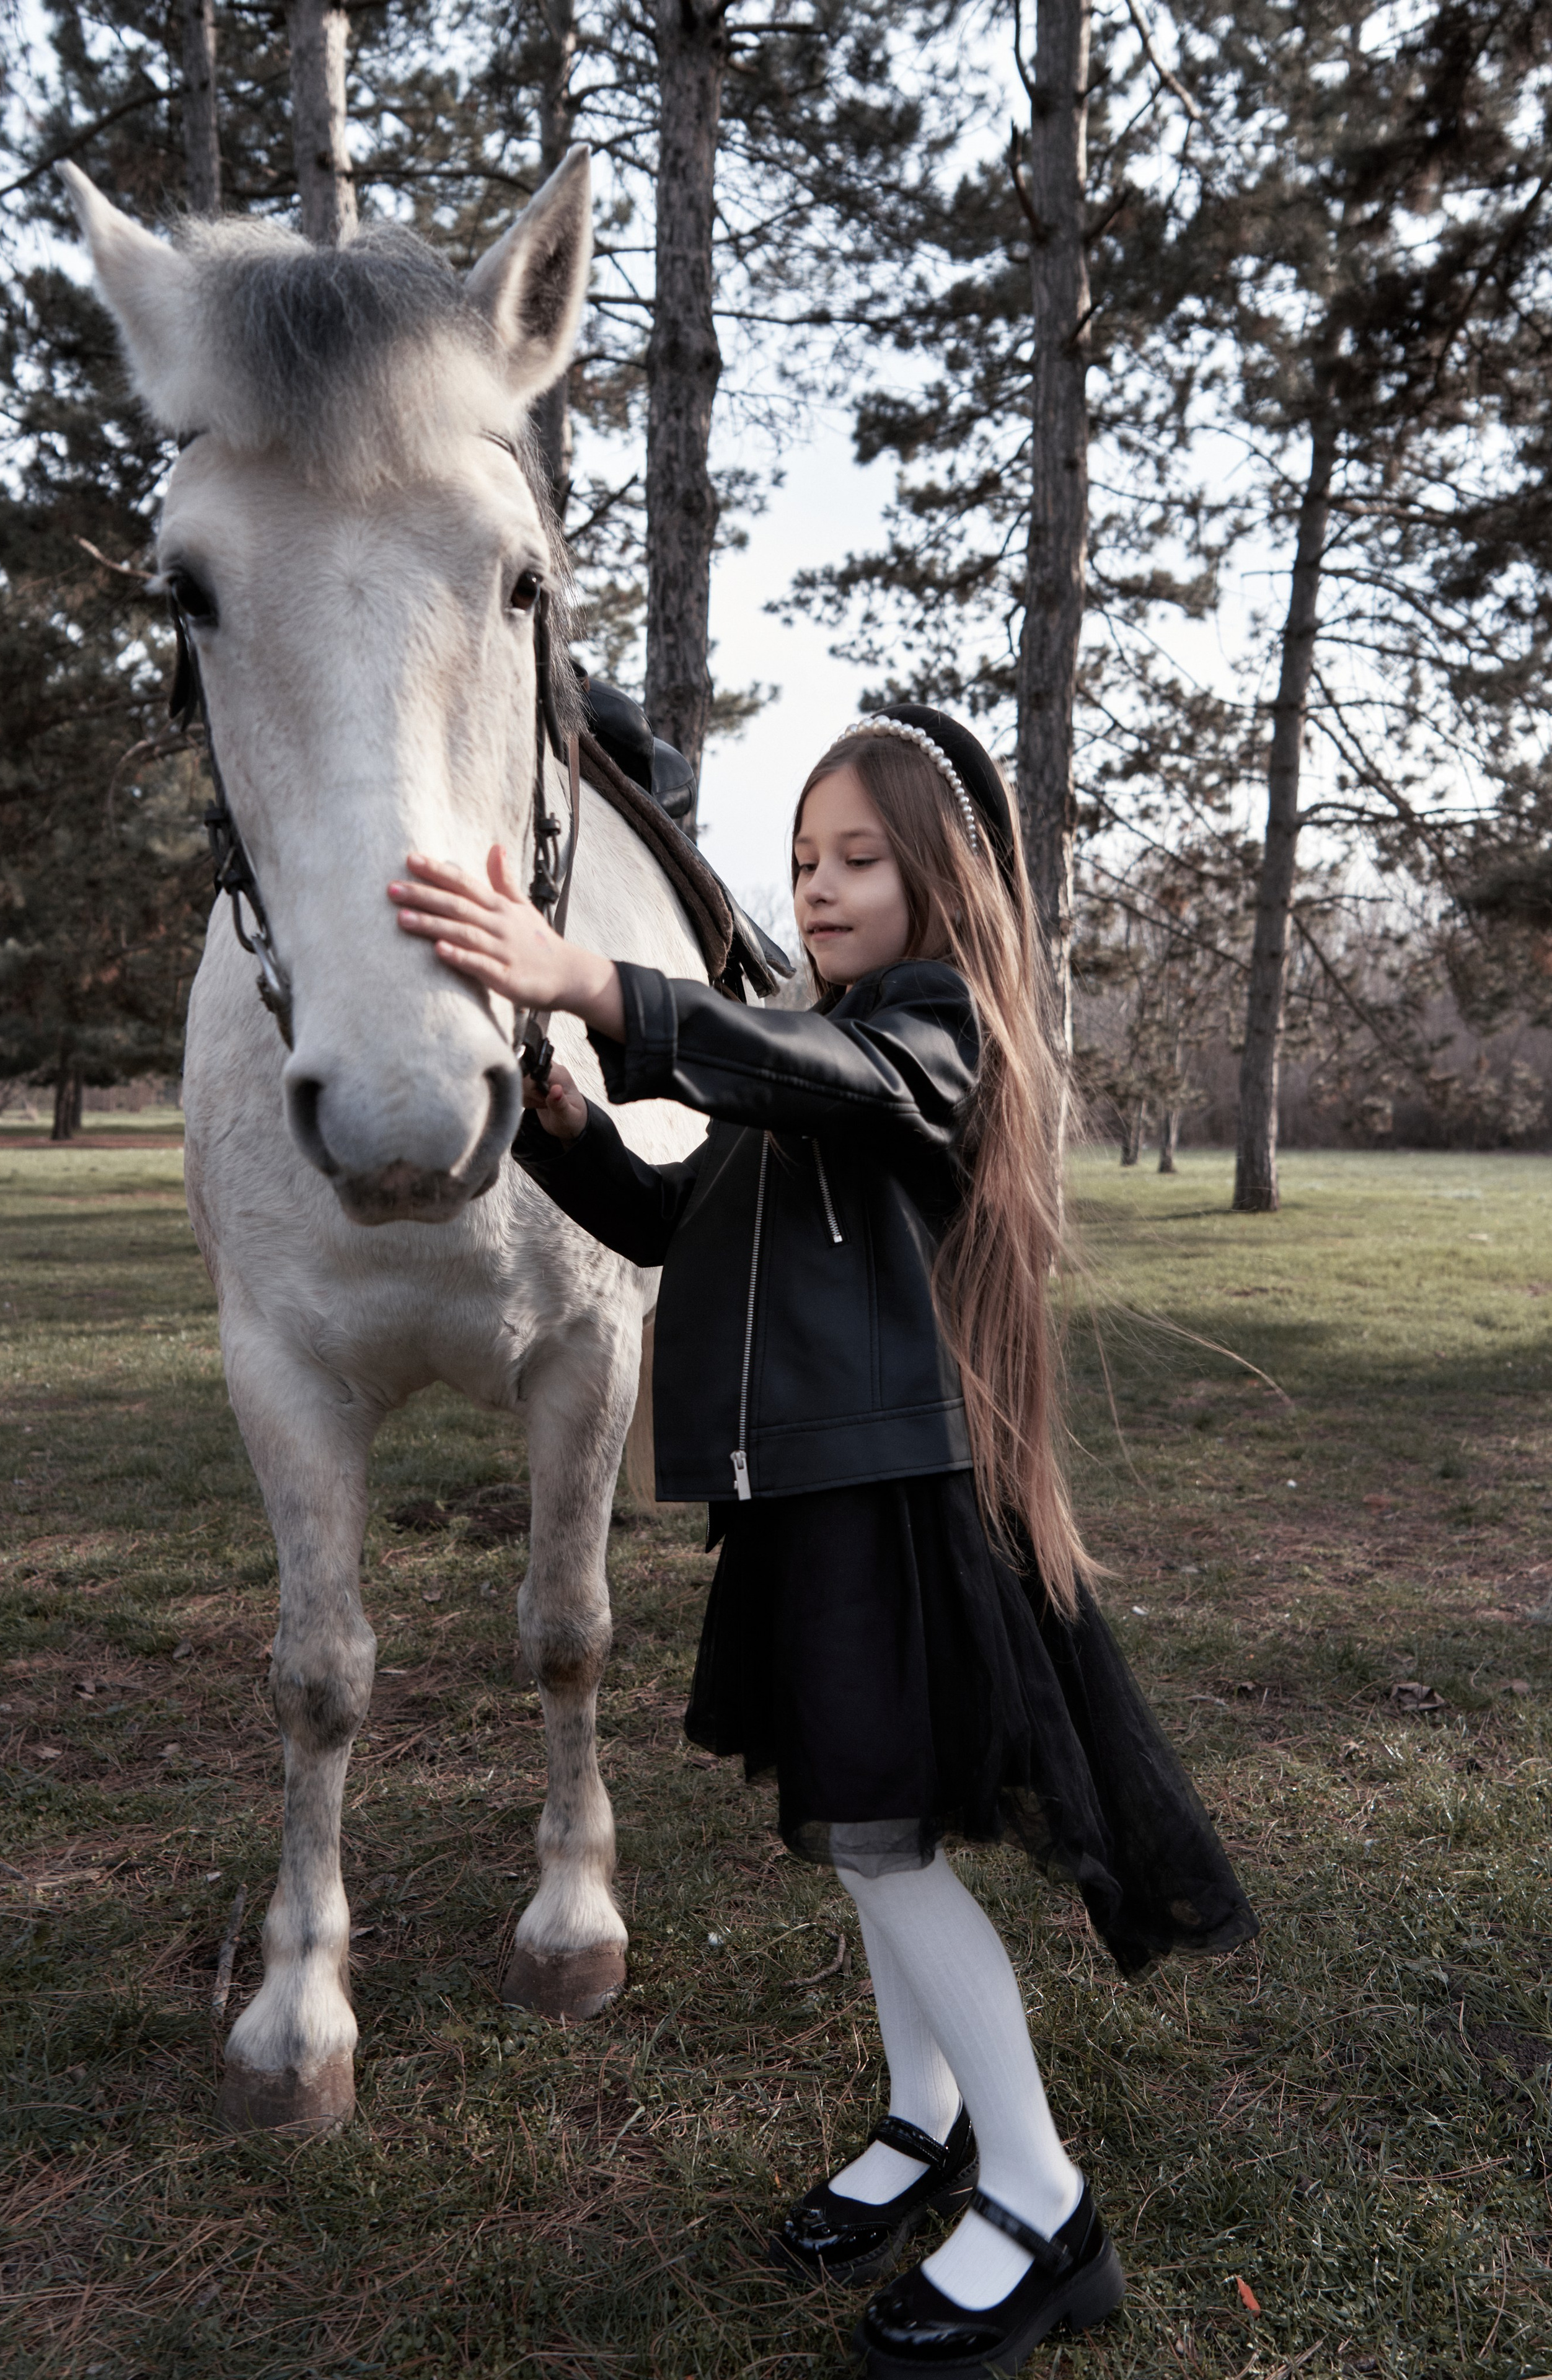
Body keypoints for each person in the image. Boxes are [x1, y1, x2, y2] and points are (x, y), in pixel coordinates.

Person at [389, 706, 1258, 2379]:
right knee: (865, 1829)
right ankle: (927, 2116)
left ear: (944, 880)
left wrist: (604, 982)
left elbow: (848, 1074)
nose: (824, 883)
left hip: (890, 1505)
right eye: (804, 859)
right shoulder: (796, 1058)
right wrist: (561, 1101)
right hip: (800, 1503)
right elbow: (667, 1216)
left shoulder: (936, 1040)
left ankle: (1041, 2200)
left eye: (861, 857)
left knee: (884, 1845)